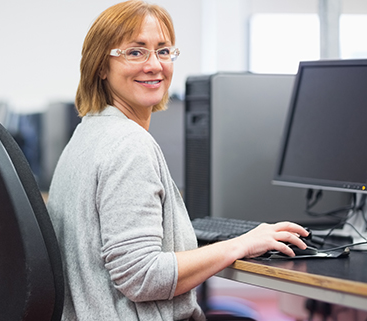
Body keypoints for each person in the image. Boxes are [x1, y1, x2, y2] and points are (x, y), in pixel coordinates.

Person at [46, 1, 310, 320]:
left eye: (164, 51)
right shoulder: (128, 145)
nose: (155, 65)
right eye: (135, 52)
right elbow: (141, 277)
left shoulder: (88, 133)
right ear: (102, 66)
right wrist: (241, 244)